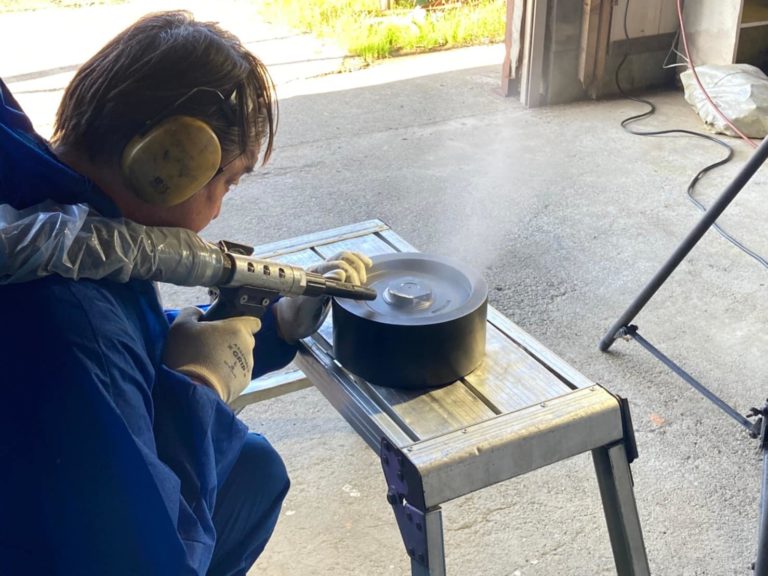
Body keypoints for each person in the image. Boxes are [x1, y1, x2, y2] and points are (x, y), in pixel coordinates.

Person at [0, 11, 371, 576]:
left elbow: (133, 336)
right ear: (165, 163)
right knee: (250, 471)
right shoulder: (76, 326)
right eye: (226, 182)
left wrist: (273, 327)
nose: (218, 209)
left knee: (253, 467)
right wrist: (200, 384)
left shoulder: (54, 218)